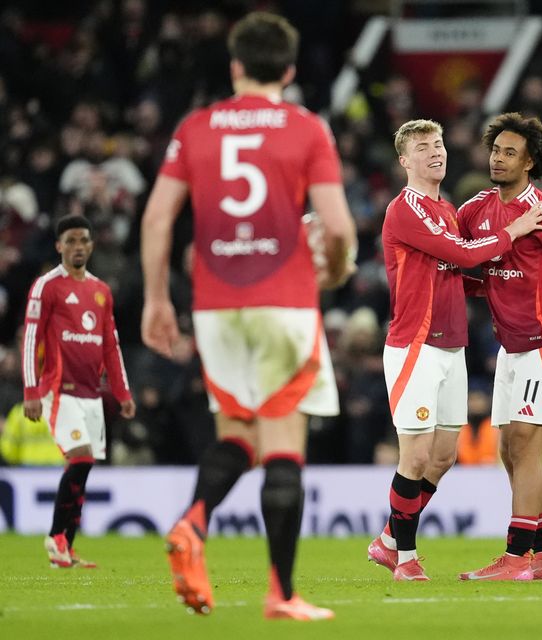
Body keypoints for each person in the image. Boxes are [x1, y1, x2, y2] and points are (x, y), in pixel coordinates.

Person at [140, 12, 356, 621]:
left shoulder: (197, 127)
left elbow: (157, 218)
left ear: (235, 66)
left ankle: (192, 522)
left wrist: (157, 298)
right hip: (284, 299)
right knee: (284, 442)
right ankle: (282, 595)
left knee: (237, 434)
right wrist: (336, 268)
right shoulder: (307, 129)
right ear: (288, 71)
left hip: (215, 305)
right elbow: (336, 227)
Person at [368, 118, 542, 581]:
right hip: (416, 344)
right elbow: (467, 255)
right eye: (423, 147)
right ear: (405, 161)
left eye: (439, 144)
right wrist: (517, 229)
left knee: (444, 456)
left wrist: (512, 286)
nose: (436, 152)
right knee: (415, 457)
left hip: (452, 347)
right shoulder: (405, 209)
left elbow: (460, 274)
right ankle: (404, 559)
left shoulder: (446, 210)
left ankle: (389, 538)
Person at [457, 113, 542, 581]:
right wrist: (475, 288)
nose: (498, 158)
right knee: (508, 451)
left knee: (526, 446)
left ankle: (516, 559)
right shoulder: (476, 209)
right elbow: (463, 260)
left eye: (509, 152)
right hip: (510, 348)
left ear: (530, 161)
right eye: (495, 150)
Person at [22, 214, 136, 568]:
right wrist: (30, 390)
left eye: (83, 240)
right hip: (59, 390)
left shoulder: (100, 291)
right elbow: (31, 339)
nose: (77, 247)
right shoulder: (47, 285)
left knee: (83, 469)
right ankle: (56, 536)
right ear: (59, 246)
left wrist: (122, 391)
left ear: (91, 245)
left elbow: (110, 346)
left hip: (91, 394)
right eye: (70, 240)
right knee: (81, 457)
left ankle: (65, 549)